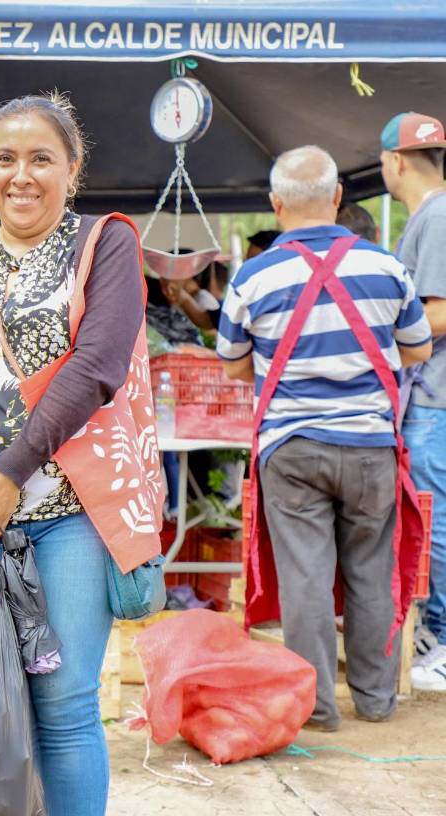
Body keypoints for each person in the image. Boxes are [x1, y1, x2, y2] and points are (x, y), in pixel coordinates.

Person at [0, 93, 159, 816]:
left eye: (41, 159)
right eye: (6, 159)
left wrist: (8, 475)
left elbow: (97, 366)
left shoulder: (104, 245)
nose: (22, 175)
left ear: (72, 170)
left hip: (73, 510)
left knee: (62, 702)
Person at [219, 145, 432, 729]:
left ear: (275, 204)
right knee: (371, 571)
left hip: (291, 449)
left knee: (306, 578)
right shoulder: (386, 268)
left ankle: (316, 708)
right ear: (338, 197)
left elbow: (233, 365)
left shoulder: (253, 276)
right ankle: (376, 700)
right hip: (370, 448)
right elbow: (417, 348)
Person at [378, 111, 446, 689]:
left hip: (433, 398)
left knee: (435, 520)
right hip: (425, 395)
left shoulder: (439, 216)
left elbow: (440, 312)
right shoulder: (429, 215)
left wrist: (377, 334)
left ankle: (442, 642)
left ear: (395, 161)